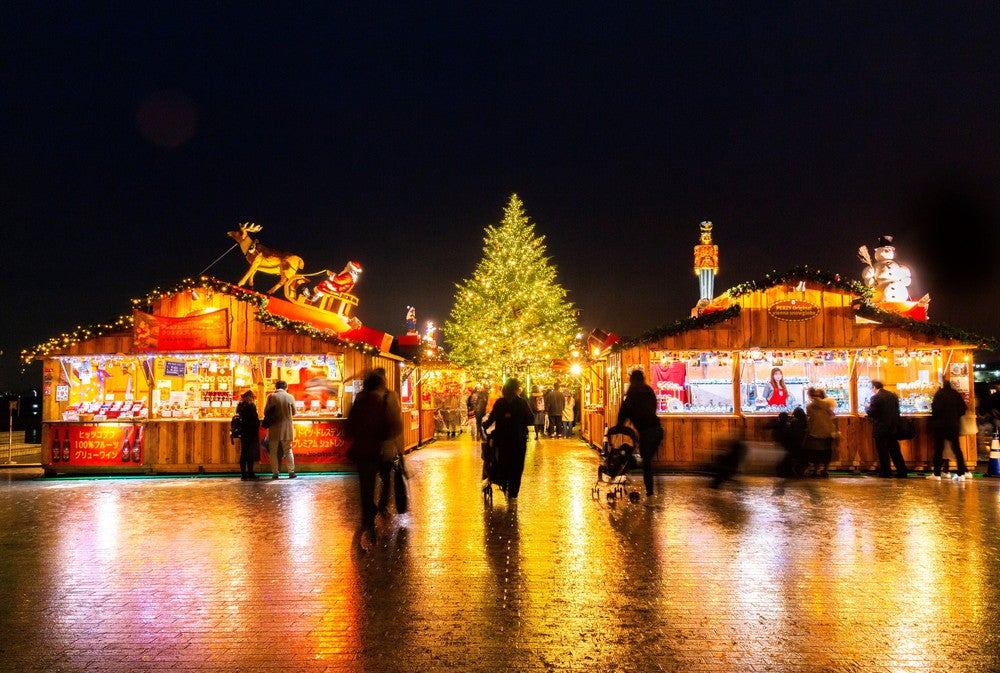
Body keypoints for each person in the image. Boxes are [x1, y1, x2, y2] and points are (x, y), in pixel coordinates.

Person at [345, 370, 403, 538]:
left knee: (366, 485)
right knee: (386, 478)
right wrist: (394, 444)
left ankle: (368, 515)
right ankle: (381, 505)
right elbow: (394, 425)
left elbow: (349, 426)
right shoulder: (385, 398)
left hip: (362, 450)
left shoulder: (360, 400)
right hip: (381, 448)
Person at [616, 370, 664, 503]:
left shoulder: (632, 395)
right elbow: (653, 409)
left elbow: (623, 412)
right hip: (658, 430)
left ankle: (650, 496)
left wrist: (619, 426)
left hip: (646, 432)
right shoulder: (648, 391)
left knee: (647, 463)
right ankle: (653, 491)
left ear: (632, 380)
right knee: (648, 461)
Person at [482, 378, 533, 503]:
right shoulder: (522, 403)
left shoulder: (500, 403)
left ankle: (504, 483)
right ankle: (513, 495)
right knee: (517, 466)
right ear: (517, 389)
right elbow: (530, 419)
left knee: (504, 462)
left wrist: (485, 426)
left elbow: (491, 418)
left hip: (502, 439)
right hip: (518, 439)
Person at [929, 379, 969, 480]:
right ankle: (961, 473)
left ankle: (937, 474)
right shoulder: (955, 394)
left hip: (940, 425)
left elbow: (934, 409)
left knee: (939, 449)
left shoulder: (939, 394)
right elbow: (963, 409)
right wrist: (955, 416)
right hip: (953, 425)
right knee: (957, 450)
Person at [866, 380, 907, 478]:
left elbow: (872, 412)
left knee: (883, 452)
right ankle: (902, 471)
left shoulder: (876, 397)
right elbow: (897, 410)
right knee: (895, 451)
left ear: (874, 387)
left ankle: (886, 472)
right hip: (893, 427)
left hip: (881, 428)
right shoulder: (893, 395)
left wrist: (867, 407)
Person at [263, 380, 296, 479]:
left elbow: (265, 412)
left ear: (276, 387)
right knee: (288, 450)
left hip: (274, 427)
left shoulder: (270, 397)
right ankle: (291, 472)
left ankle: (275, 473)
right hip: (286, 428)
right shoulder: (290, 397)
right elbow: (294, 412)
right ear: (286, 387)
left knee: (273, 451)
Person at [804, 387, 837, 477]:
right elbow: (833, 416)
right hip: (827, 431)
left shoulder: (809, 406)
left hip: (815, 431)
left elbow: (809, 419)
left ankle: (816, 470)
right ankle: (825, 470)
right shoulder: (827, 404)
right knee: (826, 452)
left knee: (815, 452)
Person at [236, 389, 261, 480]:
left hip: (243, 430)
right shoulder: (251, 405)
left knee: (243, 452)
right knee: (250, 452)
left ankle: (243, 474)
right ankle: (250, 472)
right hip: (251, 430)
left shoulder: (240, 405)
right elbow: (254, 418)